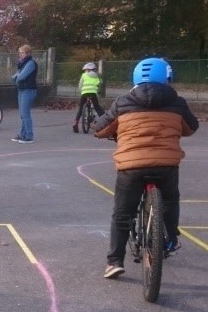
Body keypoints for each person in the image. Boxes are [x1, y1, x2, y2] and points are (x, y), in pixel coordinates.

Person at [91, 57, 198, 279]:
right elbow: (191, 127)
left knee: (122, 213)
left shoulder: (123, 102)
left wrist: (106, 131)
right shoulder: (177, 102)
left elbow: (100, 128)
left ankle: (114, 261)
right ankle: (170, 240)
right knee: (169, 200)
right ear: (167, 78)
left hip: (132, 167)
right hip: (166, 165)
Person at [11, 45, 38, 143]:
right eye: (19, 53)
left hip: (28, 90)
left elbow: (21, 76)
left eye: (22, 53)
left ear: (28, 53)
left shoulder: (31, 63)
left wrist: (17, 76)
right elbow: (15, 77)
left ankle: (29, 136)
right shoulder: (22, 64)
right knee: (22, 114)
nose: (20, 54)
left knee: (25, 114)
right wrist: (16, 77)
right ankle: (23, 134)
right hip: (22, 90)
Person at [72, 62, 104, 133]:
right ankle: (105, 122)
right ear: (94, 70)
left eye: (86, 70)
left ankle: (75, 123)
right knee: (97, 107)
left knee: (80, 109)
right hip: (93, 93)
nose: (85, 71)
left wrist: (82, 91)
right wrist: (98, 90)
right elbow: (100, 83)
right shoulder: (97, 75)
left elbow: (80, 85)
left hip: (84, 93)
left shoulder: (83, 75)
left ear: (87, 70)